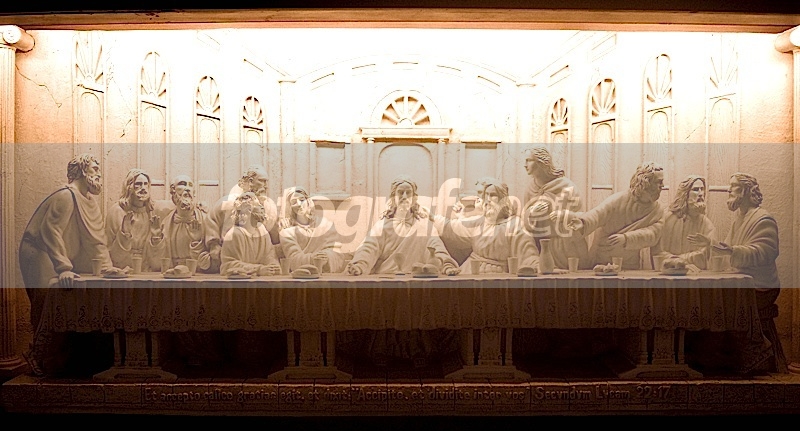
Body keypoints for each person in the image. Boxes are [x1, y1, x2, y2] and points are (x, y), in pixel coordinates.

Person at [342, 174, 460, 368]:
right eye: (400, 192)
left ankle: (418, 350)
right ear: (393, 197)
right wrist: (359, 265)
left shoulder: (424, 225)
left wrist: (447, 264)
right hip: (387, 277)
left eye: (408, 193)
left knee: (418, 307)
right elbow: (369, 248)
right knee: (385, 308)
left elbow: (437, 247)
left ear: (414, 198)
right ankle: (382, 350)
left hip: (416, 278)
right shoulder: (383, 225)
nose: (404, 196)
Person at [18, 153, 117, 376]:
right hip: (40, 252)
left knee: (67, 302)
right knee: (48, 303)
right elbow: (50, 231)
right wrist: (63, 268)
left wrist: (106, 267)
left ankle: (56, 358)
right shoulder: (65, 195)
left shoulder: (89, 201)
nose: (99, 174)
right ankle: (37, 356)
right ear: (82, 171)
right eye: (94, 169)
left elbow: (96, 241)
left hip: (59, 256)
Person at [689, 172, 785, 373]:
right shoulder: (739, 219)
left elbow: (766, 252)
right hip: (743, 282)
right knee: (710, 299)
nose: (729, 190)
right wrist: (709, 244)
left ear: (746, 191)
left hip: (760, 287)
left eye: (733, 187)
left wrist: (732, 251)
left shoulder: (763, 219)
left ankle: (751, 354)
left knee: (721, 302)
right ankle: (719, 355)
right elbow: (728, 248)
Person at [550, 161, 665, 270]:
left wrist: (626, 238)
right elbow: (597, 215)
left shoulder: (657, 210)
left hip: (630, 265)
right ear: (646, 181)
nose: (662, 185)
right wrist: (582, 222)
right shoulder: (619, 200)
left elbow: (653, 234)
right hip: (602, 261)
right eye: (659, 182)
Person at [433, 177, 539, 274]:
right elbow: (451, 228)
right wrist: (430, 216)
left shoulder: (514, 225)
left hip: (496, 276)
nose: (487, 199)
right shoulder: (480, 222)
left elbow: (527, 253)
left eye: (492, 195)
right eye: (485, 195)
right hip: (469, 270)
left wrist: (537, 266)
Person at [522, 146, 590, 270]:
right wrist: (531, 213)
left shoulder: (566, 186)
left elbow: (581, 218)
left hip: (566, 247)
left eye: (529, 160)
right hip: (541, 247)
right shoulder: (530, 189)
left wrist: (563, 215)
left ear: (541, 163)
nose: (525, 165)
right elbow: (524, 221)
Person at [206, 165, 280, 267]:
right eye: (262, 181)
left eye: (266, 182)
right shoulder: (228, 202)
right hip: (229, 254)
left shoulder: (269, 206)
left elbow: (274, 236)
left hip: (257, 256)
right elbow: (211, 220)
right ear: (250, 181)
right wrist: (214, 244)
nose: (266, 186)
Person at [105, 168, 166, 272]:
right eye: (138, 184)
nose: (143, 188)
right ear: (129, 187)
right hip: (123, 269)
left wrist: (156, 238)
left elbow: (158, 261)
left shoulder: (152, 213)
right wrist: (125, 235)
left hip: (147, 269)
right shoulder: (117, 212)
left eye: (146, 184)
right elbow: (111, 253)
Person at [651, 175, 716, 270]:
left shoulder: (706, 224)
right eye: (696, 189)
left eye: (702, 189)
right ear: (685, 194)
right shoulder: (667, 219)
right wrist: (678, 262)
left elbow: (707, 254)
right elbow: (657, 252)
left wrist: (681, 260)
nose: (700, 194)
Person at [278, 185, 348, 273]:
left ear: (308, 201)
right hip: (300, 276)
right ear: (290, 206)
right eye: (294, 202)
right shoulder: (288, 232)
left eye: (302, 200)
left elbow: (337, 252)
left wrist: (327, 257)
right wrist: (313, 258)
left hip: (325, 275)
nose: (299, 204)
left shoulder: (325, 225)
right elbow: (293, 260)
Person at [219, 192, 281, 277]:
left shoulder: (262, 231)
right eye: (257, 206)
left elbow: (268, 255)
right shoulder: (234, 234)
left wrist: (273, 266)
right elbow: (227, 266)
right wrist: (258, 269)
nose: (261, 208)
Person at [162, 175, 215, 272]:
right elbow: (157, 259)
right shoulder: (166, 222)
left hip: (196, 273)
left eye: (190, 185)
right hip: (171, 273)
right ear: (173, 191)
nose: (187, 188)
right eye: (182, 184)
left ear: (194, 193)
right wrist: (156, 238)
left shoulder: (205, 220)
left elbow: (212, 257)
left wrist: (196, 241)